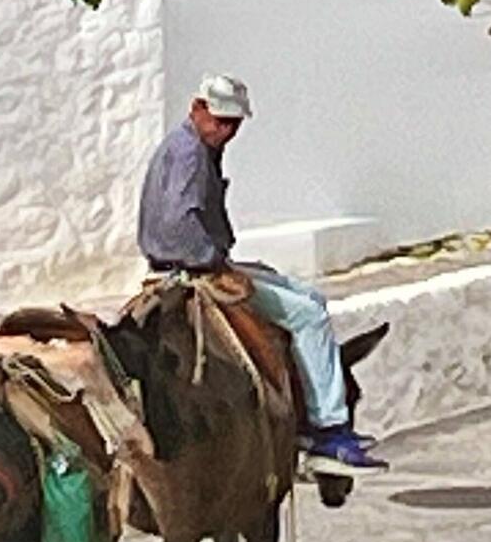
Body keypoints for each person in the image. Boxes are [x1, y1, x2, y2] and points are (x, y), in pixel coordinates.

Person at [136, 73, 387, 474]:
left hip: (195, 262)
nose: (226, 131)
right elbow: (180, 223)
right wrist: (211, 262)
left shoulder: (189, 146)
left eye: (233, 124)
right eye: (219, 120)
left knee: (308, 296)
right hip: (193, 270)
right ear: (197, 109)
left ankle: (307, 411)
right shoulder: (188, 153)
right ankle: (330, 430)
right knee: (309, 315)